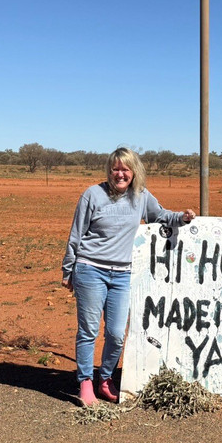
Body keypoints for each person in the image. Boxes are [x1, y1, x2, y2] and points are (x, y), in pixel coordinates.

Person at [62, 147, 195, 406]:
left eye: (125, 169)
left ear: (134, 172)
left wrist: (182, 218)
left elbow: (161, 216)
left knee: (116, 334)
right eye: (115, 169)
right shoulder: (92, 195)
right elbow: (76, 235)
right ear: (108, 171)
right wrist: (69, 270)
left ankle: (106, 379)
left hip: (123, 274)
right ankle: (86, 382)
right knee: (88, 331)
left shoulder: (141, 197)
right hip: (90, 269)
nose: (120, 174)